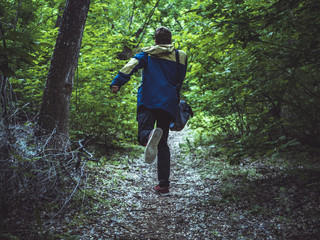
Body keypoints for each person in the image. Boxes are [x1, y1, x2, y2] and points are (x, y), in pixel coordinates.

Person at [110, 27, 187, 196]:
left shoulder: (147, 54)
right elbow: (180, 79)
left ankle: (149, 135)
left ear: (156, 40)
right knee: (163, 143)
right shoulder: (180, 55)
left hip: (148, 101)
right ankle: (164, 186)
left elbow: (130, 66)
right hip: (168, 103)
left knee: (143, 134)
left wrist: (117, 82)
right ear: (170, 39)